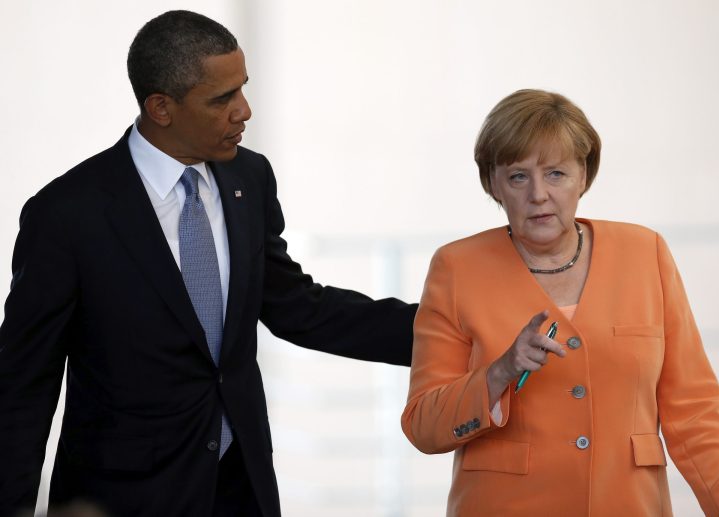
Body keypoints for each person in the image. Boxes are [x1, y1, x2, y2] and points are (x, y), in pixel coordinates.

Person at [0, 10, 416, 517]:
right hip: (124, 498)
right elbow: (24, 385)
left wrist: (451, 331)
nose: (244, 111)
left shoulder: (250, 178)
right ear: (161, 107)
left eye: (243, 88)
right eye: (222, 99)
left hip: (241, 489)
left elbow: (297, 307)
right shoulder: (67, 213)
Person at [401, 89, 719, 516]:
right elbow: (424, 425)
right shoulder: (457, 268)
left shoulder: (645, 253)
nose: (538, 194)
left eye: (556, 173)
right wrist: (499, 372)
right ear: (493, 184)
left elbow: (693, 409)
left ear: (583, 175)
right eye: (518, 177)